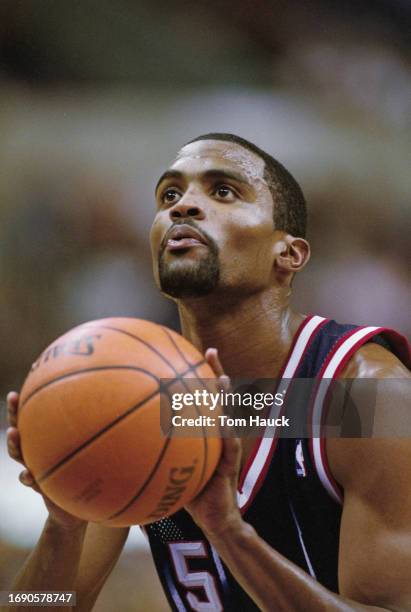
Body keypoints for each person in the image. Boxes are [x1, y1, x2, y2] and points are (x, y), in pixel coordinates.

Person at [6, 133, 411, 611]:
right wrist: (64, 525)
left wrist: (232, 536)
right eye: (169, 196)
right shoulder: (143, 399)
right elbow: (42, 603)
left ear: (290, 253)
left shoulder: (364, 397)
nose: (184, 207)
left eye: (223, 191)